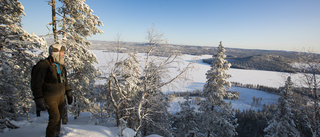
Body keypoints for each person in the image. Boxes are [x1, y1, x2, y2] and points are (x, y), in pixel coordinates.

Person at [31, 43, 73, 137]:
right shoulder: (43, 65)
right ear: (55, 53)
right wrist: (38, 98)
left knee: (59, 117)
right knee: (55, 117)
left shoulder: (61, 65)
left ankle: (56, 134)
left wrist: (68, 92)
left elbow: (64, 81)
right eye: (62, 52)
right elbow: (36, 83)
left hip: (60, 96)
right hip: (50, 97)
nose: (64, 54)